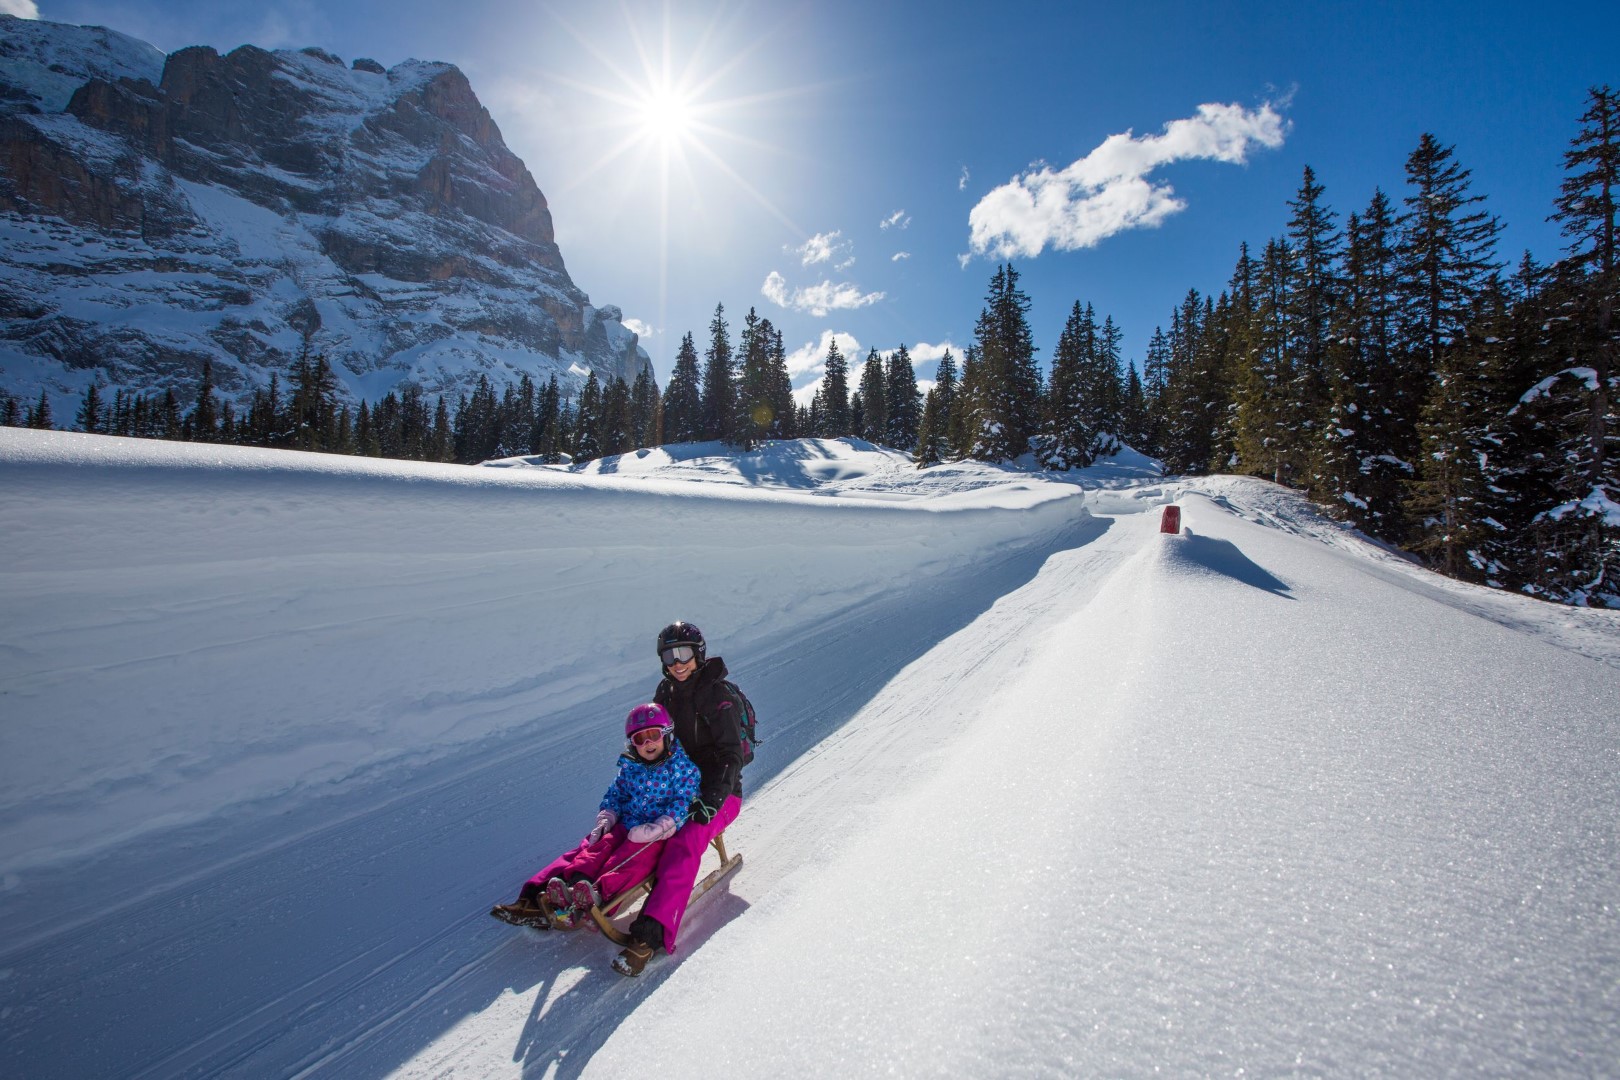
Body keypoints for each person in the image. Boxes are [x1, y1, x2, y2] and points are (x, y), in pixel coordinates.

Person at [491, 702, 700, 931]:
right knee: (596, 846)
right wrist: (607, 816)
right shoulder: (630, 766)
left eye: (653, 735)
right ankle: (568, 887)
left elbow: (684, 801)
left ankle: (599, 893)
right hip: (625, 823)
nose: (648, 743)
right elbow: (616, 794)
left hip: (653, 833)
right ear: (632, 744)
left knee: (630, 859)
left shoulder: (682, 768)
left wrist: (662, 826)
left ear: (667, 734)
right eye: (640, 739)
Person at [613, 620, 745, 976]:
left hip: (720, 794)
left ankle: (651, 934)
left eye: (684, 653)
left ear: (698, 653)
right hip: (677, 790)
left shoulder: (719, 696)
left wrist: (712, 799)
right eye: (669, 655)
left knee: (684, 840)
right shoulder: (666, 694)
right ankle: (601, 896)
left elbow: (732, 756)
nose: (677, 662)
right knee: (636, 827)